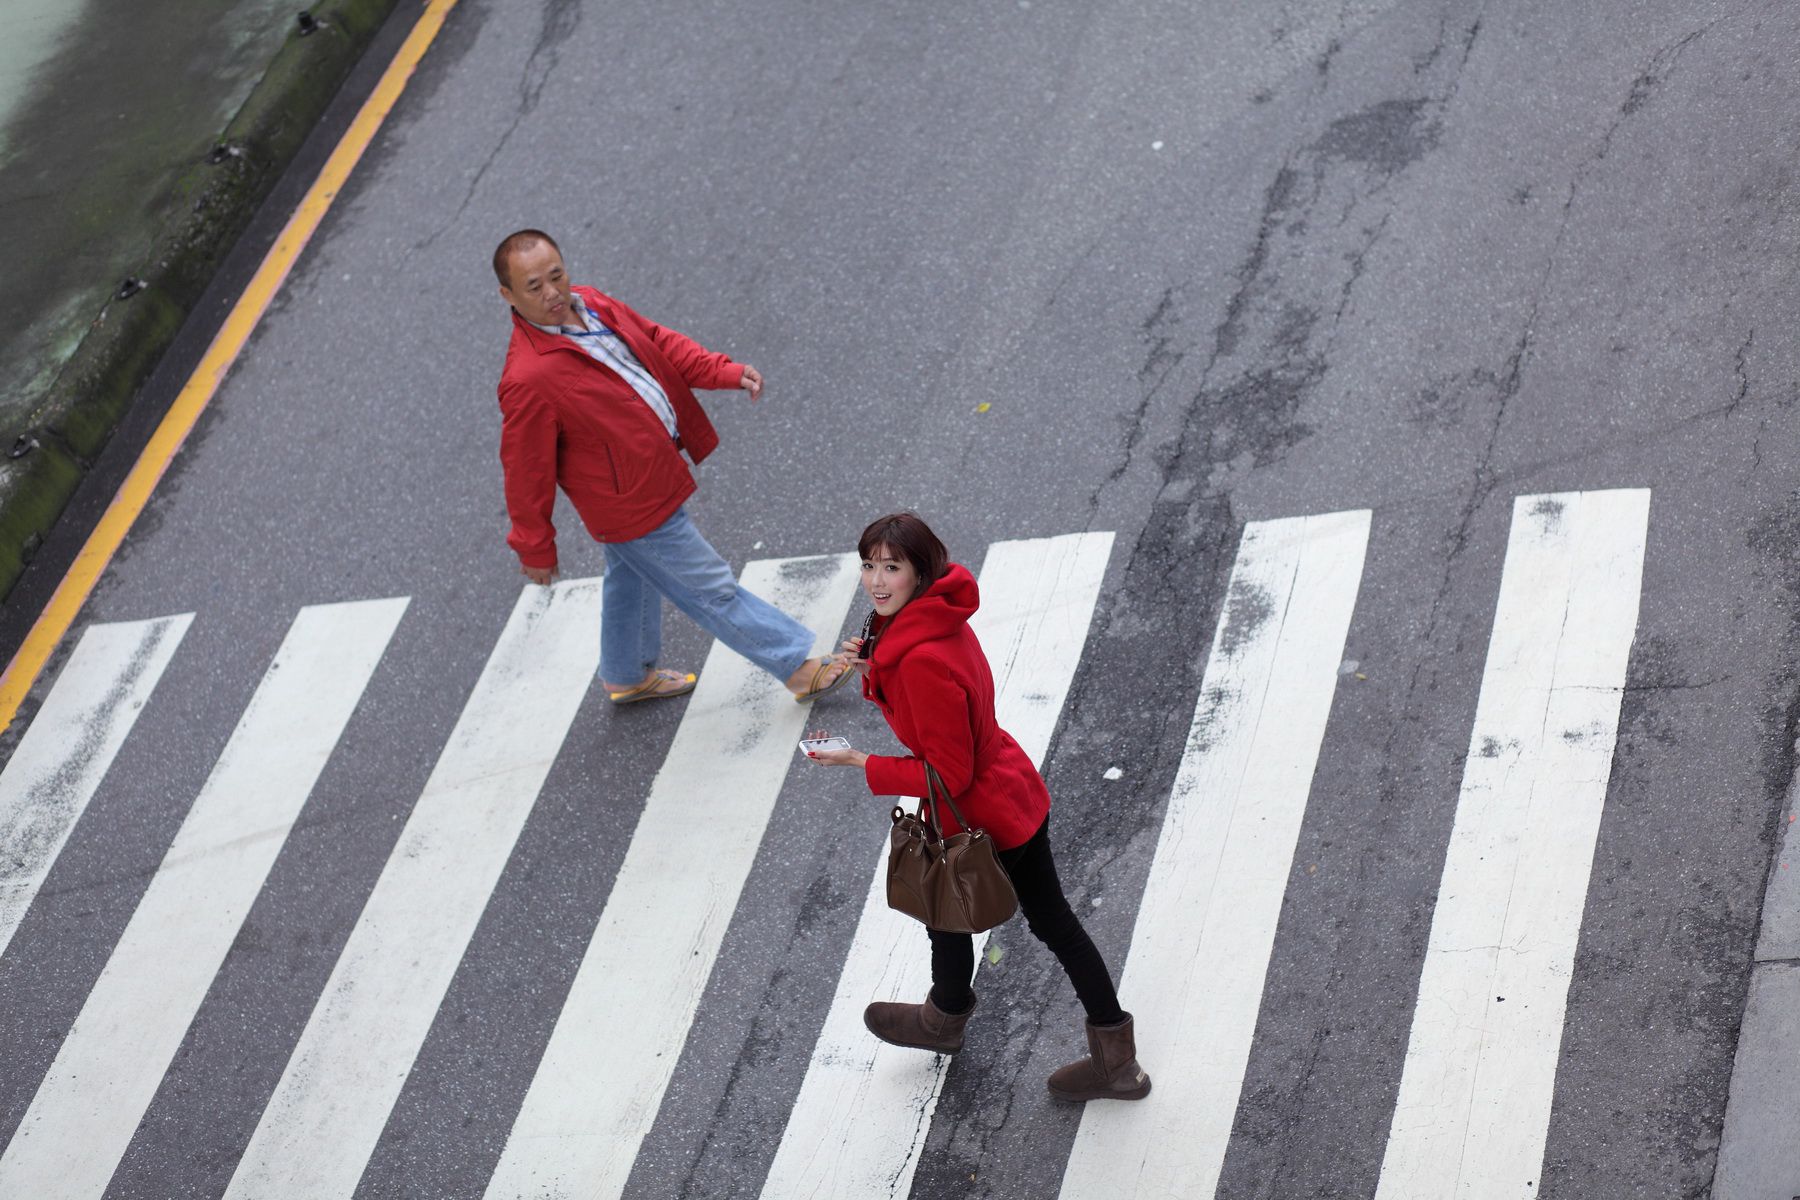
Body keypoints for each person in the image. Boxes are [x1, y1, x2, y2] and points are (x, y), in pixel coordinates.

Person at [806, 512, 1150, 1102]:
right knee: (947, 913)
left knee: (1048, 924)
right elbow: (941, 720)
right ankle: (944, 1018)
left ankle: (1115, 1063)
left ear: (920, 569)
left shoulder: (917, 658)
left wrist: (861, 762)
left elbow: (948, 771)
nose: (876, 580)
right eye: (869, 565)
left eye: (892, 566)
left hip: (983, 812)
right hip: (1004, 789)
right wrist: (874, 669)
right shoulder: (932, 621)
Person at [492, 229, 852, 704]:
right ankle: (795, 666)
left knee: (631, 574)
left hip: (648, 478)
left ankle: (626, 674)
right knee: (710, 587)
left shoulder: (593, 304)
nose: (553, 292)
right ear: (508, 296)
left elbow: (657, 342)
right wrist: (534, 546)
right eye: (534, 286)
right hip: (629, 504)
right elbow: (525, 469)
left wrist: (721, 371)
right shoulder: (527, 378)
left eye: (556, 275)